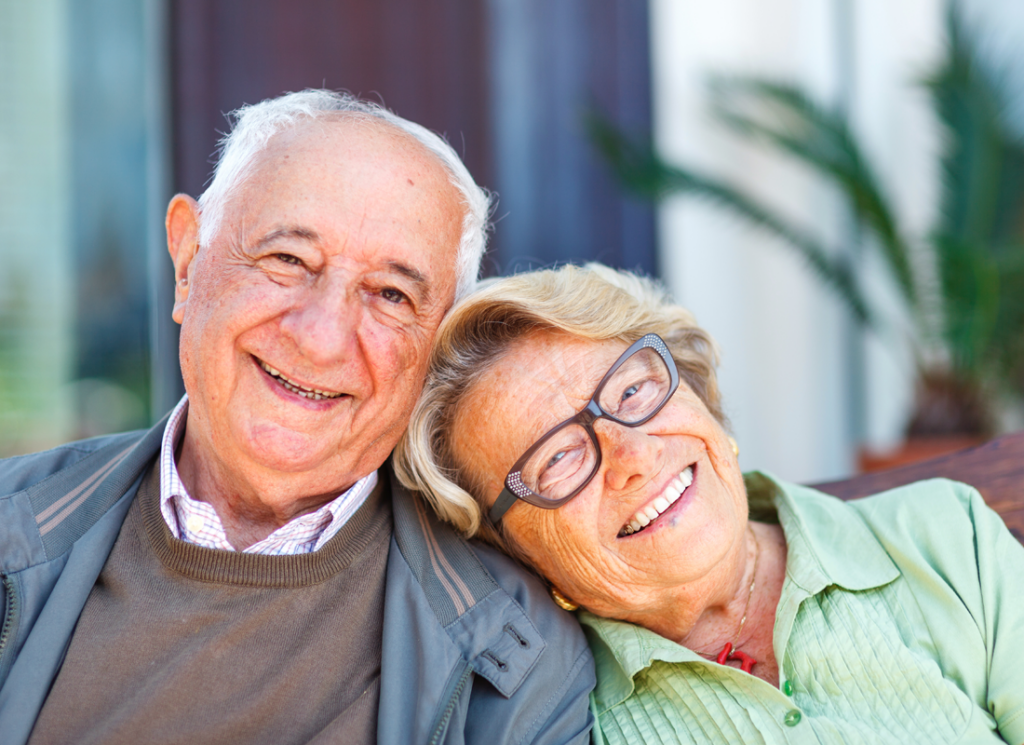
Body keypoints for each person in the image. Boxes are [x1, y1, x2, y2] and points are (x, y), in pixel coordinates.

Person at [0, 91, 594, 745]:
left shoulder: (519, 666)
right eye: (288, 259)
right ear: (188, 260)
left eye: (391, 294)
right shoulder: (12, 526)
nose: (321, 336)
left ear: (436, 349)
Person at [395, 262, 1024, 745]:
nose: (632, 454)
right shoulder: (570, 722)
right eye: (557, 458)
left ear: (695, 390)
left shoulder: (948, 540)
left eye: (634, 388)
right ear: (517, 550)